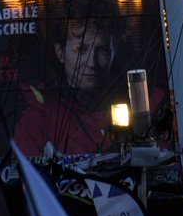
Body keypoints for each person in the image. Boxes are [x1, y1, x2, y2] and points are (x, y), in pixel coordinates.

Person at [13, 20, 119, 155]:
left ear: (113, 52)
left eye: (103, 50)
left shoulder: (137, 106)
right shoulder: (35, 122)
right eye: (81, 49)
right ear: (60, 52)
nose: (91, 62)